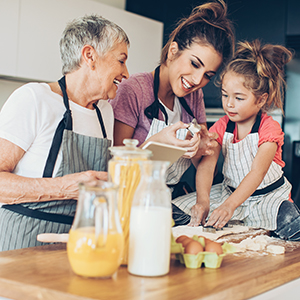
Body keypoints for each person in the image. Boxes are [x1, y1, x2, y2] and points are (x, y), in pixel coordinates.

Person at [0, 15, 132, 251]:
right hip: (24, 241)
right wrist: (63, 188)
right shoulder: (33, 98)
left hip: (80, 243)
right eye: (121, 61)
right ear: (89, 56)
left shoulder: (104, 112)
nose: (126, 73)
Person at [109, 0, 235, 225]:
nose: (198, 81)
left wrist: (203, 199)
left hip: (168, 199)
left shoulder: (194, 96)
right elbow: (118, 169)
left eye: (208, 75)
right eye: (195, 64)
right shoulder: (134, 90)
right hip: (131, 202)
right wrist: (157, 143)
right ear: (173, 51)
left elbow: (206, 156)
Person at [173, 39, 300, 241]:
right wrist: (203, 200)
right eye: (225, 95)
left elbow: (257, 173)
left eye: (239, 98)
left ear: (261, 100)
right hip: (228, 193)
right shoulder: (223, 125)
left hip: (268, 198)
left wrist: (229, 207)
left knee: (293, 226)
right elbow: (208, 162)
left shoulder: (269, 128)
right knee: (172, 211)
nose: (229, 104)